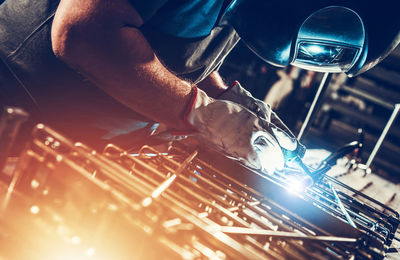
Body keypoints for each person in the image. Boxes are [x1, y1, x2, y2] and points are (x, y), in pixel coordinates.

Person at [0, 0, 398, 173]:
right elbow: (84, 32)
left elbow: (169, 49)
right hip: (15, 106)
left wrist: (227, 99)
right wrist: (203, 112)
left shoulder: (250, 9)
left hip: (69, 145)